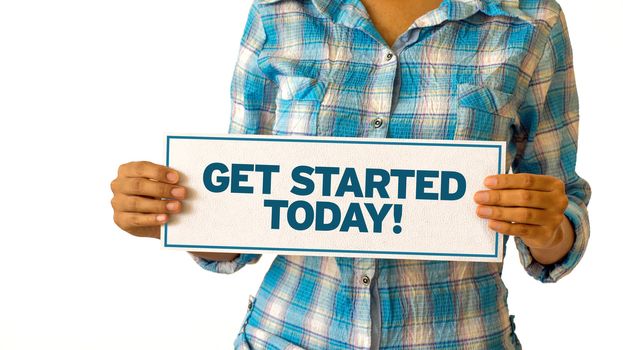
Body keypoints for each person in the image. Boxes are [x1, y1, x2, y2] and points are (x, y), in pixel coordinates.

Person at [109, 0, 591, 348]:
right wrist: (175, 215)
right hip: (288, 334)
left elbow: (561, 210)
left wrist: (548, 227)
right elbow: (243, 212)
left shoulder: (532, 22)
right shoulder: (278, 15)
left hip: (463, 336)